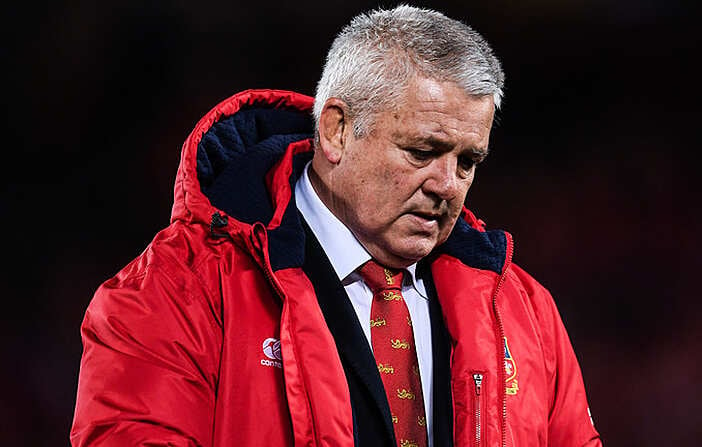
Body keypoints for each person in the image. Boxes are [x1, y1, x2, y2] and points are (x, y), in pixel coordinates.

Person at [71, 5, 602, 447]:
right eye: (423, 151)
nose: (449, 186)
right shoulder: (177, 292)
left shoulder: (525, 313)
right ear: (337, 131)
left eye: (467, 162)